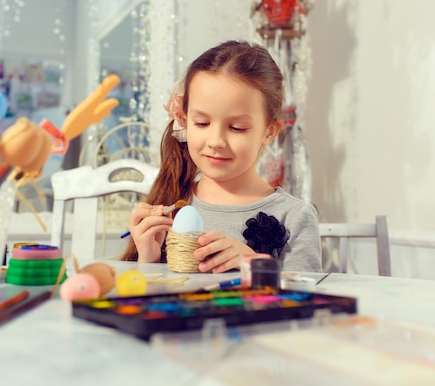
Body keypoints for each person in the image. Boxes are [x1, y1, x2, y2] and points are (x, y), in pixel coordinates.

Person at [120, 40, 322, 273]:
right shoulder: (171, 202)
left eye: (237, 127)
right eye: (202, 123)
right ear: (185, 120)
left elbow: (305, 302)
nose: (215, 141)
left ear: (269, 132)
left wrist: (254, 264)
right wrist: (148, 259)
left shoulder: (295, 217)